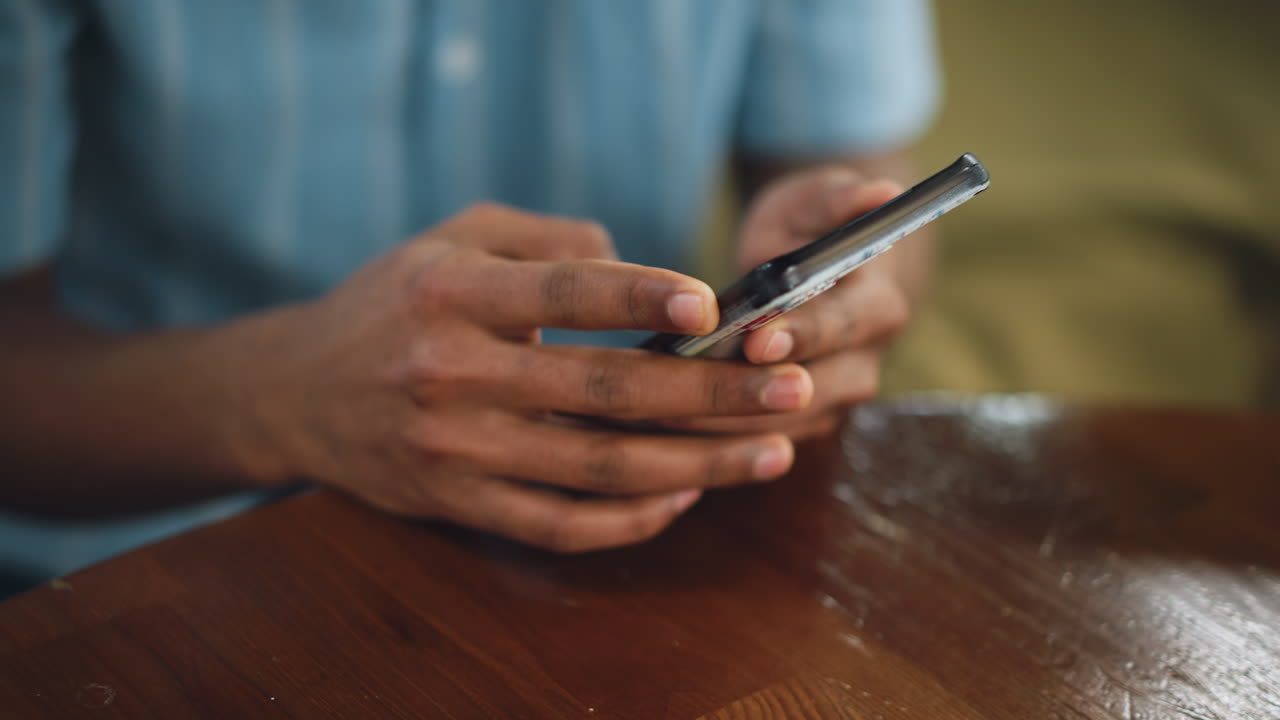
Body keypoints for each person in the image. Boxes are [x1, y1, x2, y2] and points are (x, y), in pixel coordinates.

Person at [0, 1, 939, 589]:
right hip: (140, 578)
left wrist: (844, 285)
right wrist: (286, 399)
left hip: (642, 550)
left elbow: (850, 164)